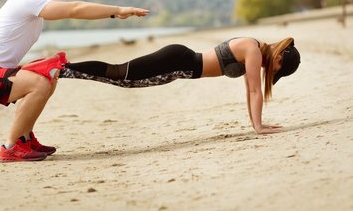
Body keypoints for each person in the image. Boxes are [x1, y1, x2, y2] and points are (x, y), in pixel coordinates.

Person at [0, 0, 149, 163]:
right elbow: (75, 9)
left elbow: (73, 10)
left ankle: (25, 139)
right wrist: (117, 11)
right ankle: (11, 147)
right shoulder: (27, 0)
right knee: (39, 82)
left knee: (49, 76)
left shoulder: (32, 2)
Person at [58, 37, 300, 134]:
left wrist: (256, 124)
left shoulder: (255, 52)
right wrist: (258, 127)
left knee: (124, 81)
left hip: (179, 68)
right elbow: (256, 91)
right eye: (277, 70)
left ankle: (63, 70)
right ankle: (62, 68)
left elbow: (250, 91)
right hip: (178, 60)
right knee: (120, 73)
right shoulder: (254, 49)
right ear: (279, 58)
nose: (271, 72)